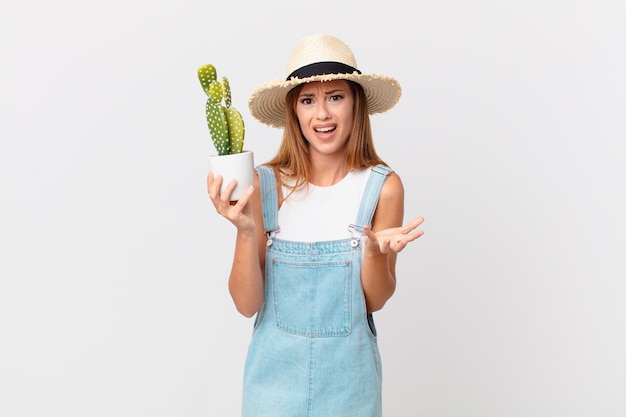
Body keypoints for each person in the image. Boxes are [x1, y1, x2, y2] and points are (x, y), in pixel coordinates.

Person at [207, 33, 424, 417]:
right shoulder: (265, 185)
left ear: (356, 104)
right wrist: (245, 231)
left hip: (350, 390)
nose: (322, 114)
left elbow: (375, 300)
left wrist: (373, 252)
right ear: (294, 112)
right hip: (271, 390)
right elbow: (246, 304)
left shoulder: (383, 187)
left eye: (335, 97)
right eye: (308, 100)